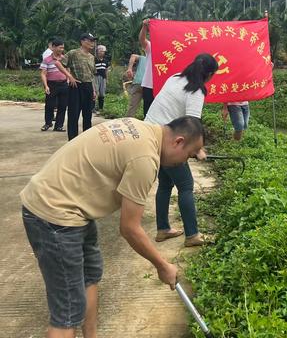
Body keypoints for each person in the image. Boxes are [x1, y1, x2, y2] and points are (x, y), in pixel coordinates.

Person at [20, 115, 204, 338]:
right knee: (68, 312)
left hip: (73, 207)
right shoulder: (145, 159)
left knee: (90, 276)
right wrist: (162, 265)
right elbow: (129, 228)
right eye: (188, 156)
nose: (183, 163)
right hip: (54, 214)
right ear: (178, 142)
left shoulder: (138, 126)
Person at [145, 54, 219, 247]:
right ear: (209, 74)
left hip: (151, 135)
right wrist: (198, 150)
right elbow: (192, 125)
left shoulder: (175, 77)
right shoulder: (196, 91)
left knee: (165, 184)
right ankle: (192, 235)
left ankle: (163, 229)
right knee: (186, 186)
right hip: (167, 141)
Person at [63, 33, 97, 141]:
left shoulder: (92, 57)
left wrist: (94, 90)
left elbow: (92, 75)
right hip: (76, 86)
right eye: (90, 40)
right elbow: (59, 64)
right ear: (82, 41)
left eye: (93, 41)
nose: (92, 43)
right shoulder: (73, 53)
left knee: (88, 115)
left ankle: (87, 140)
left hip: (88, 87)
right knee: (74, 114)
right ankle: (72, 140)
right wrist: (69, 76)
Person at [39, 38, 77, 132]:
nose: (61, 50)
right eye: (60, 47)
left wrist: (68, 79)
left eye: (63, 48)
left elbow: (69, 70)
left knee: (63, 106)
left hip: (64, 84)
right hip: (52, 85)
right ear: (54, 47)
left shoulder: (64, 59)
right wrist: (46, 85)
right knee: (49, 105)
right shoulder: (47, 60)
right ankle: (48, 123)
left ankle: (59, 126)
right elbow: (43, 73)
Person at [138, 19, 154, 117]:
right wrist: (144, 27)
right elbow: (142, 40)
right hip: (149, 85)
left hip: (163, 87)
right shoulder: (151, 46)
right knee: (148, 114)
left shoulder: (171, 48)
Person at [125, 52, 147, 117]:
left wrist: (129, 69)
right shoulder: (156, 60)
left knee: (132, 106)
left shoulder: (143, 58)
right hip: (148, 86)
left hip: (138, 83)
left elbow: (133, 56)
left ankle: (128, 122)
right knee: (148, 107)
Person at [94, 45, 109, 114]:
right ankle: (93, 108)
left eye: (103, 51)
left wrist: (107, 78)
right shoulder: (94, 59)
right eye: (101, 51)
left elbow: (106, 70)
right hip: (96, 77)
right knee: (95, 92)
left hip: (103, 77)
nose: (102, 53)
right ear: (98, 51)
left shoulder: (105, 60)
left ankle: (101, 108)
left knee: (102, 93)